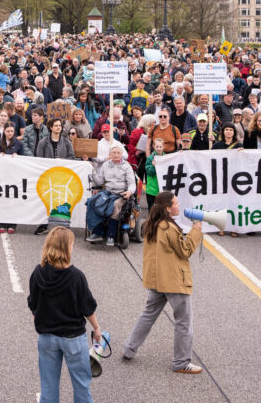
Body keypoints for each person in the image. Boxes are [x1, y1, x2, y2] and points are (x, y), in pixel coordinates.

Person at [122, 191, 203, 374]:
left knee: (148, 315)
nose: (178, 205)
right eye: (175, 203)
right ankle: (181, 362)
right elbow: (185, 251)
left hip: (156, 278)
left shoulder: (153, 223)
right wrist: (196, 231)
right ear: (168, 208)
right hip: (173, 280)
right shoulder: (169, 228)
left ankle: (129, 348)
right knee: (183, 321)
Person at [27, 226, 100, 403]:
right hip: (73, 337)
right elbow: (87, 307)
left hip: (46, 337)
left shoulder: (38, 272)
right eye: (72, 244)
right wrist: (96, 328)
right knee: (81, 384)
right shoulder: (75, 276)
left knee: (49, 386)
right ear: (66, 247)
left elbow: (33, 303)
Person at [86, 145, 136, 246]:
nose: (116, 155)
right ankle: (97, 233)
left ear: (121, 154)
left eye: (118, 153)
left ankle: (111, 235)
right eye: (114, 153)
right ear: (110, 154)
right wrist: (92, 169)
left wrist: (129, 192)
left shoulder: (127, 166)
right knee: (93, 201)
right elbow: (100, 181)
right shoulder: (105, 165)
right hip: (108, 192)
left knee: (115, 205)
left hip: (121, 193)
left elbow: (132, 183)